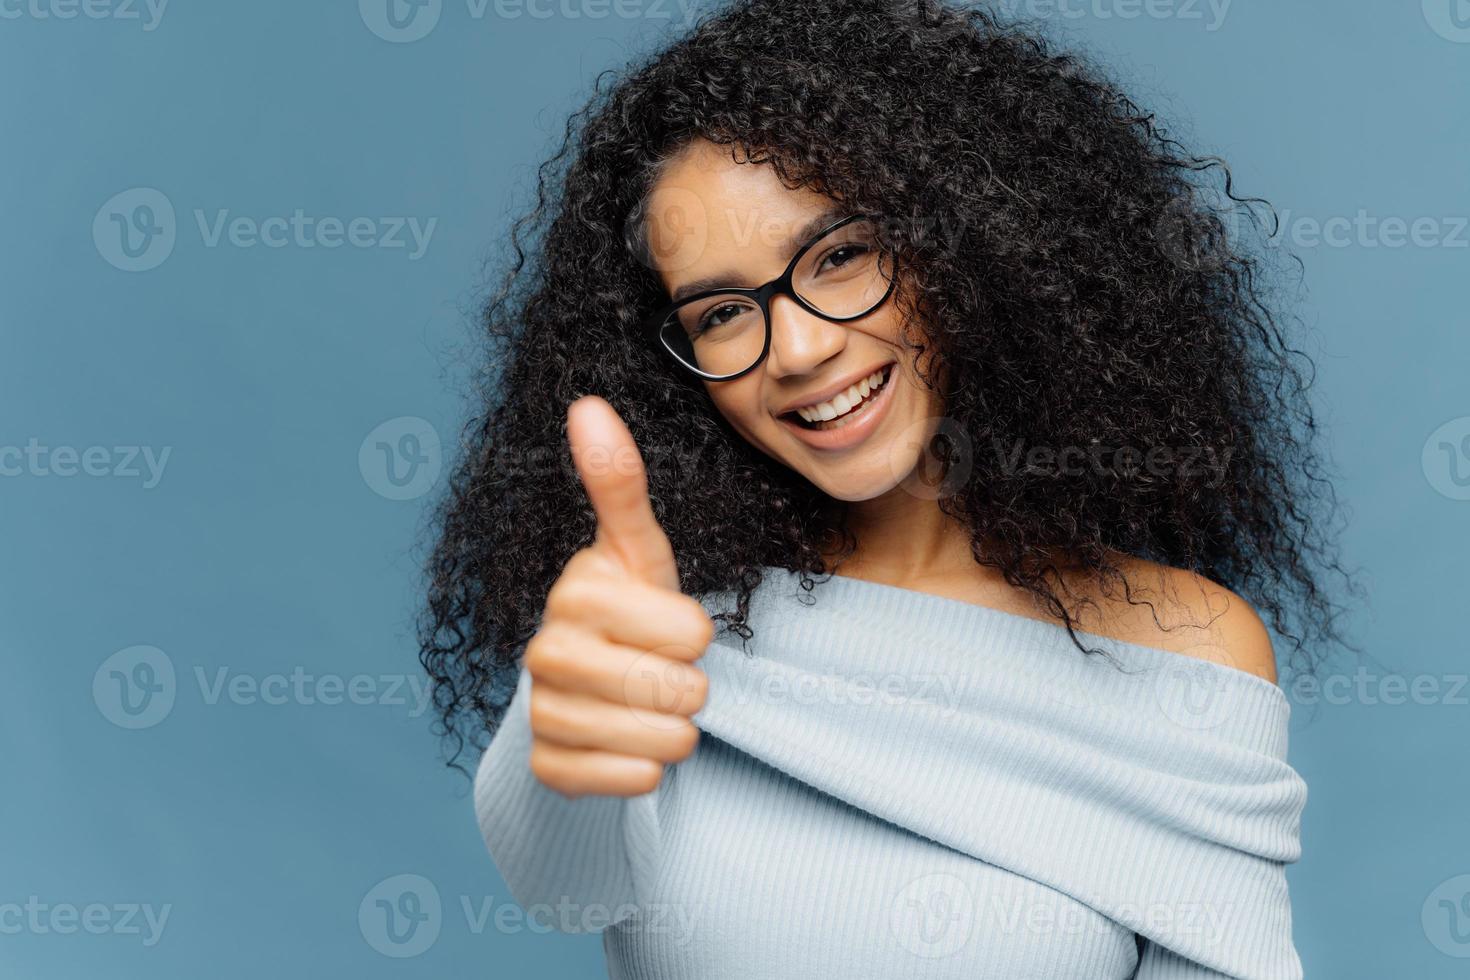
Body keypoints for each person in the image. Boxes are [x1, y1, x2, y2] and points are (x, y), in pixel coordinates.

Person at [420, 0, 1354, 975]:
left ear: (979, 243)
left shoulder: (1189, 652)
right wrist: (554, 709)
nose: (800, 347)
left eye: (840, 255)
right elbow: (565, 886)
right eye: (723, 311)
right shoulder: (659, 626)